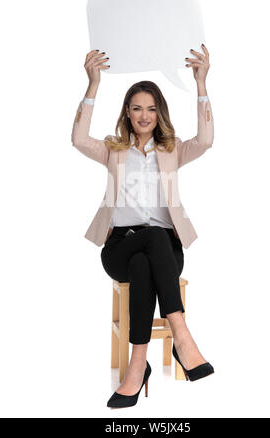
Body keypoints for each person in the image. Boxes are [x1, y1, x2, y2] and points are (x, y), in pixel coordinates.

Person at [71, 45, 215, 408]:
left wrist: (201, 84)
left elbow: (207, 139)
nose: (144, 115)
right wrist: (92, 85)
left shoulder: (173, 150)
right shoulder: (112, 149)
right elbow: (77, 139)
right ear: (127, 113)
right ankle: (182, 335)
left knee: (144, 262)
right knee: (142, 245)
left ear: (159, 113)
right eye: (137, 108)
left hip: (166, 250)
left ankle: (137, 367)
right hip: (119, 245)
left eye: (151, 108)